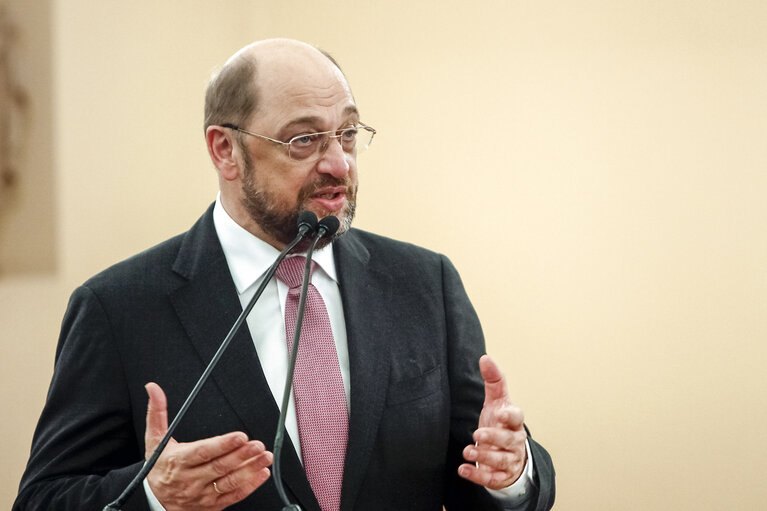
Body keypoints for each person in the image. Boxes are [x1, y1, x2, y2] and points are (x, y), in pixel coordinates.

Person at [14, 39, 555, 511]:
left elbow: (475, 479)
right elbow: (43, 498)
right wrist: (152, 495)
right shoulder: (120, 308)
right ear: (225, 149)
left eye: (346, 132)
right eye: (304, 140)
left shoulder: (424, 283)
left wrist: (511, 476)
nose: (339, 163)